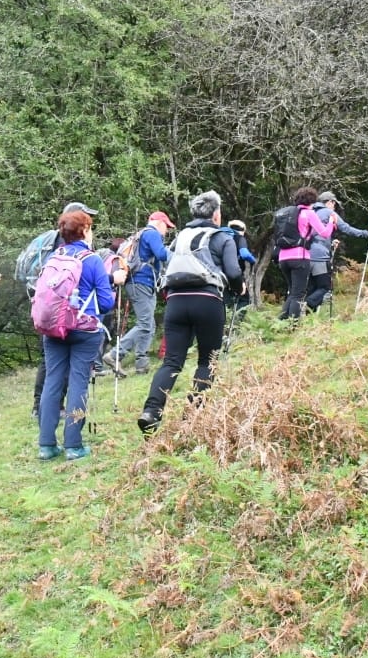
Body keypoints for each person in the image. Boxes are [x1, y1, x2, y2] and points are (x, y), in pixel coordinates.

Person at [137, 191, 243, 434]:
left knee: (172, 361)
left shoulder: (180, 238)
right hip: (207, 301)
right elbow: (234, 272)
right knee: (207, 360)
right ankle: (192, 417)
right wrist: (239, 288)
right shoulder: (222, 237)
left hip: (176, 302)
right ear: (216, 214)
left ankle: (151, 411)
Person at [38, 209, 119, 461]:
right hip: (84, 330)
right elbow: (106, 303)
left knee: (52, 382)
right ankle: (73, 445)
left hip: (53, 328)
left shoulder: (54, 256)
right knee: (78, 383)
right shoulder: (92, 260)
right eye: (90, 227)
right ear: (84, 230)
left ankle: (46, 445)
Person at [29, 202, 99, 418]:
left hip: (46, 306)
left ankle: (43, 407)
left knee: (50, 361)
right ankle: (45, 407)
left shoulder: (57, 244)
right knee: (54, 363)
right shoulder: (67, 244)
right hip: (63, 310)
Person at [103, 211, 175, 374]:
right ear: (159, 223)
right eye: (166, 226)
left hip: (140, 283)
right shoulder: (152, 233)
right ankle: (115, 355)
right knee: (145, 324)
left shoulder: (141, 234)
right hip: (141, 282)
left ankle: (142, 365)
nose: (166, 231)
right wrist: (180, 254)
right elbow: (162, 254)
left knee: (149, 325)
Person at [277, 187, 334, 320]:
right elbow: (325, 233)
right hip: (299, 257)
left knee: (292, 292)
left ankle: (281, 323)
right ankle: (293, 325)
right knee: (298, 294)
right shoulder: (309, 213)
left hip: (283, 257)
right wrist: (331, 222)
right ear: (312, 200)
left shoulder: (289, 213)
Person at [307, 192, 368, 312]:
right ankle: (307, 304)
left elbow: (314, 234)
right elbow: (346, 228)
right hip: (319, 258)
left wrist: (330, 243)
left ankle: (308, 317)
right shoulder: (329, 213)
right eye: (334, 204)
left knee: (312, 288)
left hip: (305, 255)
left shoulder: (309, 212)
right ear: (330, 202)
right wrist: (366, 233)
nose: (334, 207)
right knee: (324, 287)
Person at [223, 219, 257, 313]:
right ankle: (237, 320)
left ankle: (226, 318)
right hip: (234, 273)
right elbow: (244, 254)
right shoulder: (239, 238)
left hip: (219, 273)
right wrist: (253, 260)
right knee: (244, 299)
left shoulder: (221, 236)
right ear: (242, 230)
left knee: (226, 298)